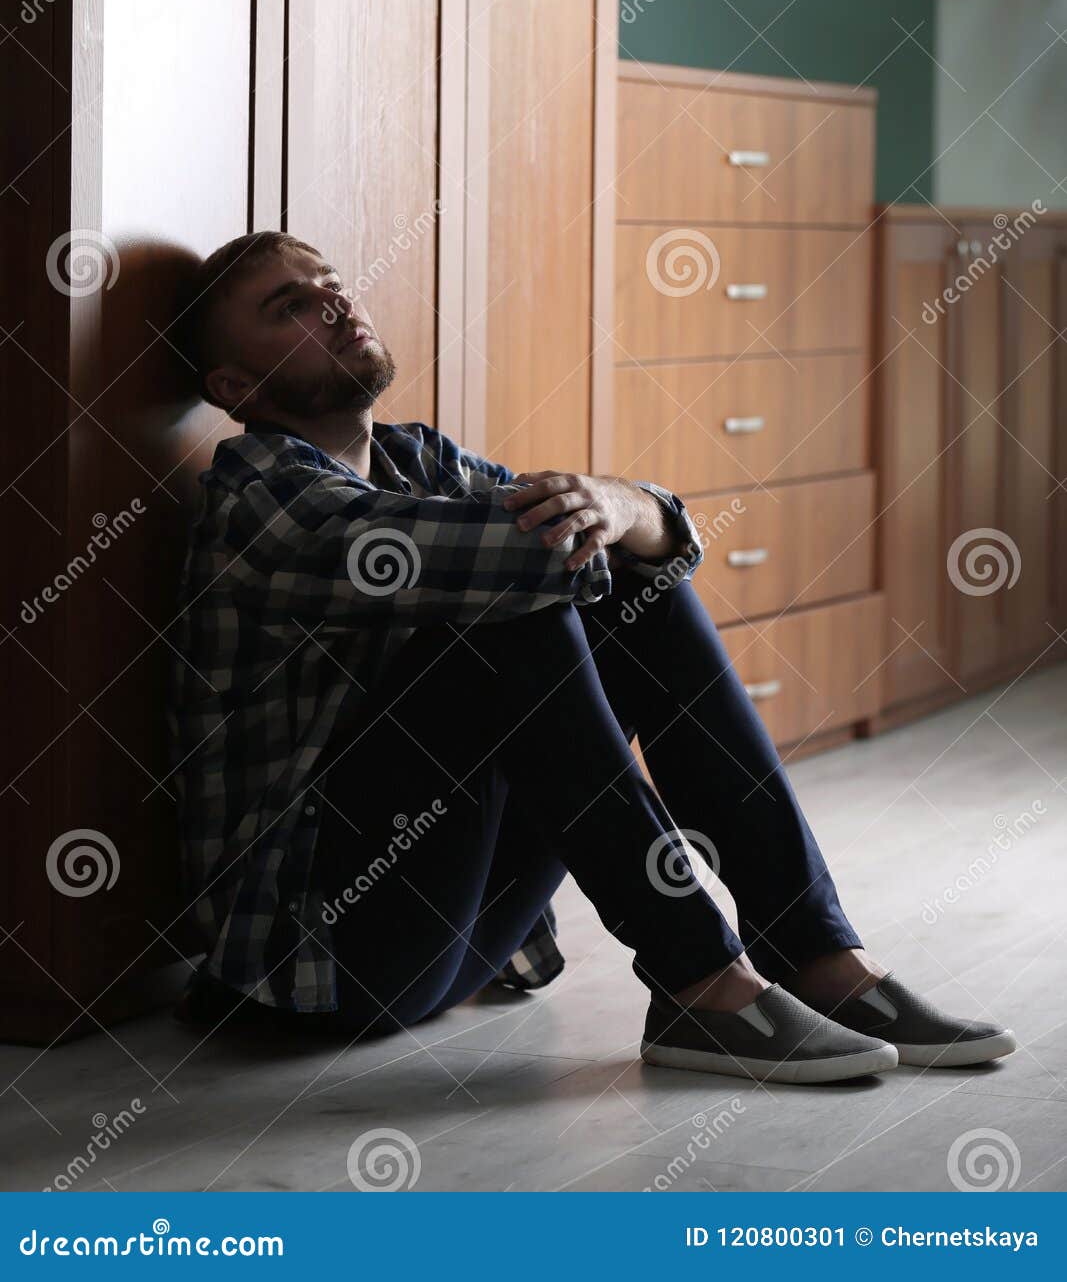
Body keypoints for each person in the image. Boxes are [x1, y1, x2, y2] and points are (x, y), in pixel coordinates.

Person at [166, 231, 1016, 1084]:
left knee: (630, 590)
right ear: (238, 388)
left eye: (332, 284)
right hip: (329, 958)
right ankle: (698, 980)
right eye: (291, 307)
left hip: (470, 940)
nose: (335, 305)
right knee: (517, 609)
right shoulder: (259, 502)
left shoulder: (415, 459)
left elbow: (651, 545)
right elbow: (539, 554)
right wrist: (615, 513)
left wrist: (618, 502)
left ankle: (814, 953)